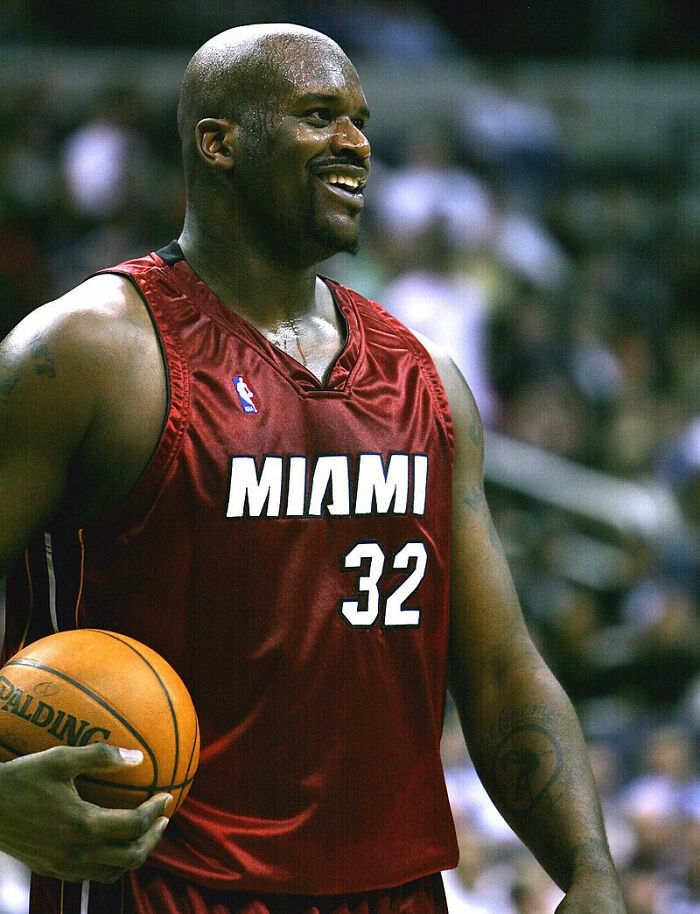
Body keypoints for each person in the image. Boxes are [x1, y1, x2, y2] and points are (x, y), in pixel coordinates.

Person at [0, 23, 626, 914]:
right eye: (319, 114)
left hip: (395, 892)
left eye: (361, 121)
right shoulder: (87, 352)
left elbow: (497, 667)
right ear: (219, 143)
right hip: (159, 888)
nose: (356, 144)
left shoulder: (426, 379)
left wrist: (591, 868)